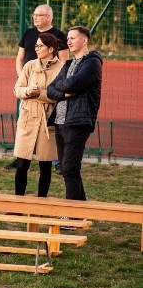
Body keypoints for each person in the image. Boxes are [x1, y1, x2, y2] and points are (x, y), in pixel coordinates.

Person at [5, 4, 69, 170]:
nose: (35, 17)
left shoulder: (59, 35)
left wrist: (53, 86)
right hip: (29, 87)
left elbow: (64, 63)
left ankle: (54, 160)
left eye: (39, 15)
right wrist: (23, 79)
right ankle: (21, 157)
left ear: (48, 17)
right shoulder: (28, 33)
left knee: (51, 125)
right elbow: (20, 58)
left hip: (49, 90)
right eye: (34, 14)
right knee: (24, 124)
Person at [47, 26, 102, 201]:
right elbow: (50, 89)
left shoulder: (92, 62)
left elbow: (75, 83)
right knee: (66, 167)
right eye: (68, 38)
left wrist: (64, 85)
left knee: (70, 168)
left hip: (78, 122)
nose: (68, 41)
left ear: (84, 40)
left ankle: (72, 215)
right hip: (61, 122)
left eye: (72, 38)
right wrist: (64, 93)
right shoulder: (69, 64)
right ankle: (80, 211)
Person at [13, 33, 63, 198]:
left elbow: (60, 95)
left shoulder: (62, 68)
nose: (36, 49)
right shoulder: (30, 65)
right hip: (28, 118)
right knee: (21, 164)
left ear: (51, 48)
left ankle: (41, 204)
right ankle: (18, 203)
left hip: (47, 120)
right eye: (36, 46)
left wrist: (40, 93)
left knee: (45, 165)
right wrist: (27, 91)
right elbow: (17, 89)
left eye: (40, 46)